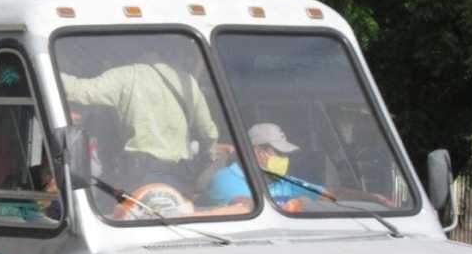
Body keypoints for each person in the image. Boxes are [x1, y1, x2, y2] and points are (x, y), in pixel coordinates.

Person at [59, 51, 219, 190]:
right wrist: (205, 161)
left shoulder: (127, 75)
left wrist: (44, 66)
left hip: (139, 174)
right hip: (180, 174)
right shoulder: (187, 81)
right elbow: (208, 132)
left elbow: (82, 91)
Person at [207, 122, 320, 209]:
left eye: (285, 154)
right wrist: (298, 203)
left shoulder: (280, 180)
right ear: (257, 151)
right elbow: (248, 206)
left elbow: (329, 196)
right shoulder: (224, 179)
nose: (284, 158)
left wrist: (327, 197)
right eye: (278, 152)